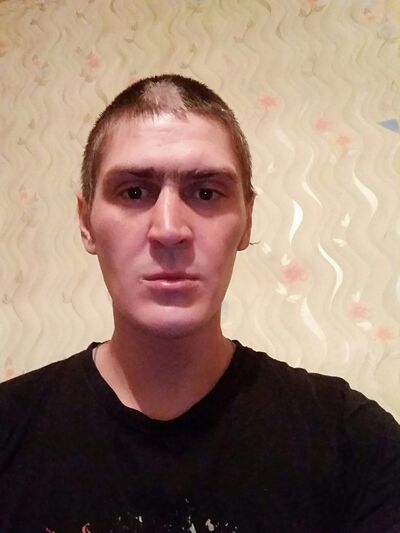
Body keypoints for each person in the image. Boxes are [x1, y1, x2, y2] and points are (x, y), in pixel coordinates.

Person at [0, 74, 399, 533]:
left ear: (247, 220)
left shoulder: (352, 442)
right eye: (134, 192)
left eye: (206, 192)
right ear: (86, 222)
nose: (169, 230)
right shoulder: (9, 429)